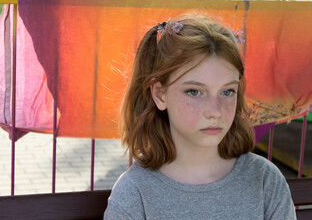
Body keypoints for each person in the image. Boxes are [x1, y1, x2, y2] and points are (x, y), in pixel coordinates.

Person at [104, 14, 296, 220]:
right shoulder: (134, 194)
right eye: (194, 92)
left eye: (227, 91)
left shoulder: (265, 181)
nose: (215, 111)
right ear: (160, 94)